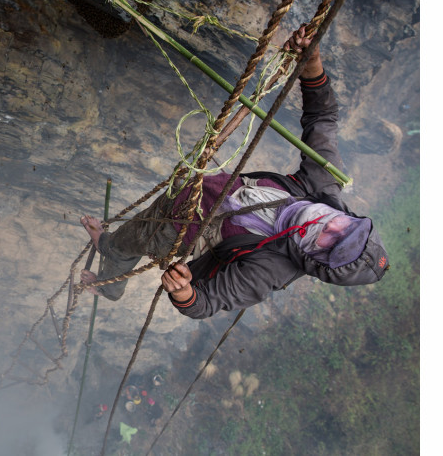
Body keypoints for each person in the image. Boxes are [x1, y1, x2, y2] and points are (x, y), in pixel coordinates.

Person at [79, 26, 389, 319]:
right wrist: (311, 63)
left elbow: (207, 304)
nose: (329, 227)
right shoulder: (323, 189)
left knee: (122, 244)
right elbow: (322, 119)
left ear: (318, 261)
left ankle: (109, 280)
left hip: (174, 230)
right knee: (137, 227)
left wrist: (184, 293)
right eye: (344, 226)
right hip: (196, 190)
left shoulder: (270, 270)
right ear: (351, 217)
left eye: (331, 243)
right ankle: (110, 268)